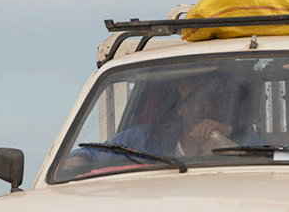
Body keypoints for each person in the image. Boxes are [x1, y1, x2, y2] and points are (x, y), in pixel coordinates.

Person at [63, 72, 260, 171]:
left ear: (218, 106)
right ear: (180, 107)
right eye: (193, 101)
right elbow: (89, 153)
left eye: (209, 101)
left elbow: (271, 162)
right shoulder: (144, 139)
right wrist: (78, 162)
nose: (201, 108)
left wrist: (226, 140)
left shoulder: (240, 137)